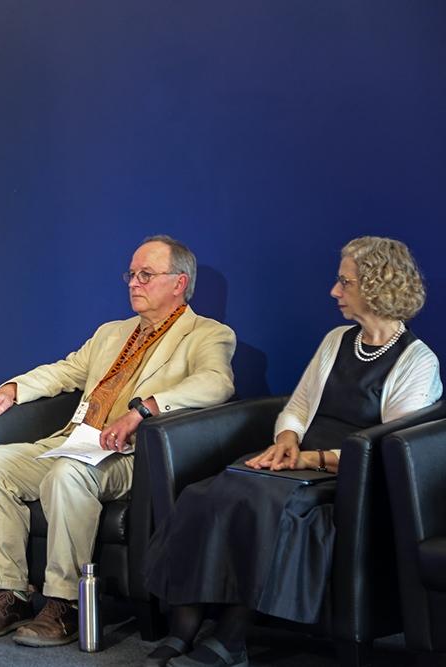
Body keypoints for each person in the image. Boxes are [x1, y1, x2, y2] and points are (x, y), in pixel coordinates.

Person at [142, 236, 442, 667]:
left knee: (265, 503)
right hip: (297, 460)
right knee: (206, 494)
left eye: (345, 282)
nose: (334, 291)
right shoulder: (337, 339)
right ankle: (183, 631)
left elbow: (388, 449)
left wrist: (311, 459)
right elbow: (298, 407)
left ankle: (230, 641)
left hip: (347, 477)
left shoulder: (417, 362)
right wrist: (286, 441)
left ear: (377, 286)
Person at [0, 236, 237, 647]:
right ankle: (11, 594)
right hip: (76, 441)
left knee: (66, 474)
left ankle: (66, 604)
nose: (134, 282)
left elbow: (216, 383)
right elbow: (65, 371)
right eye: (132, 274)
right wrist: (13, 390)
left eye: (146, 275)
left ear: (179, 283)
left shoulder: (207, 334)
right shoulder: (113, 333)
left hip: (131, 454)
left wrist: (144, 409)